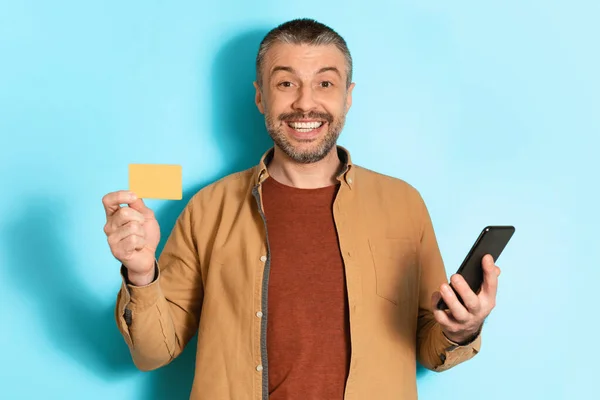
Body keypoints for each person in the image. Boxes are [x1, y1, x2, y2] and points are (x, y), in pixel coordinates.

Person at [102, 18, 501, 400]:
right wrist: (141, 273)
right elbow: (153, 352)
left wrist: (464, 327)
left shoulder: (404, 204)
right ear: (260, 95)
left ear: (348, 96)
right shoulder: (209, 207)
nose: (305, 103)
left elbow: (432, 349)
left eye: (325, 83)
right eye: (286, 82)